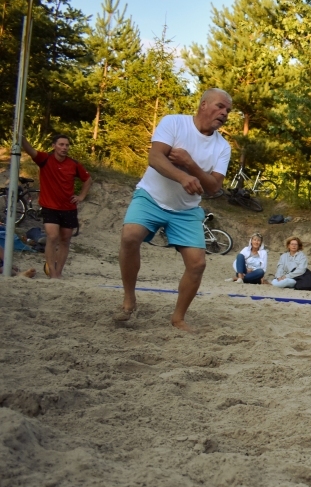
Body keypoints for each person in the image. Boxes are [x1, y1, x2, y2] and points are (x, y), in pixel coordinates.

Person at [115, 88, 233, 330]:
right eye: (220, 106)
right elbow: (155, 158)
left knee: (198, 264)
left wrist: (190, 165)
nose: (224, 113)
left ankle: (178, 317)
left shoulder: (223, 147)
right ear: (203, 104)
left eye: (228, 111)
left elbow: (213, 186)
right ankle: (129, 299)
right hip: (151, 196)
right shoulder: (174, 122)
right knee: (129, 237)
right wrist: (181, 176)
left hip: (186, 209)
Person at [20, 134, 91, 279]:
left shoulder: (74, 164)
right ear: (54, 146)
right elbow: (30, 150)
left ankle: (58, 272)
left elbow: (88, 179)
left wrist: (81, 196)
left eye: (66, 145)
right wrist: (21, 137)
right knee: (52, 236)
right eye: (61, 144)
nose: (64, 148)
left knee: (65, 239)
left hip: (68, 208)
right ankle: (52, 272)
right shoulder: (45, 159)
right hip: (50, 206)